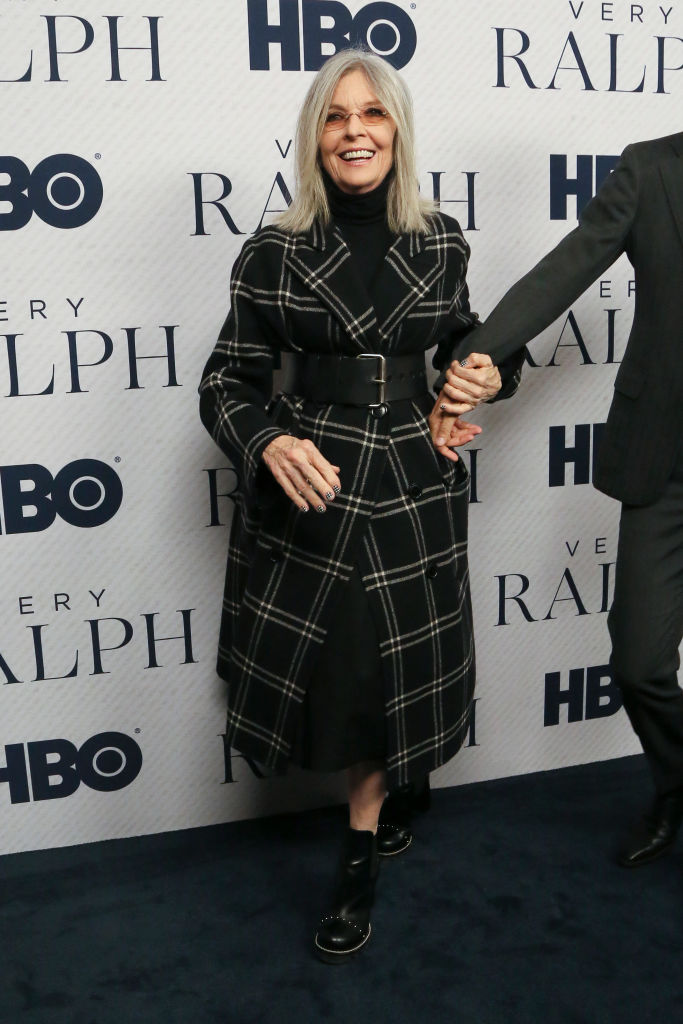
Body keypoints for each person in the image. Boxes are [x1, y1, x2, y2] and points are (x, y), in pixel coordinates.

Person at [199, 48, 522, 963]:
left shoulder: (440, 240)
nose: (354, 131)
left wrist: (485, 378)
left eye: (371, 114)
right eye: (336, 116)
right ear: (315, 136)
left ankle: (370, 831)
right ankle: (367, 832)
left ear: (396, 130)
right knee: (346, 666)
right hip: (318, 478)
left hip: (414, 475)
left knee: (399, 663)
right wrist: (268, 443)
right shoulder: (271, 252)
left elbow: (466, 342)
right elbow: (225, 382)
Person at [431, 131, 683, 869]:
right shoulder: (650, 168)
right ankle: (675, 784)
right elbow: (562, 273)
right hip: (664, 461)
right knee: (638, 661)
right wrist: (470, 361)